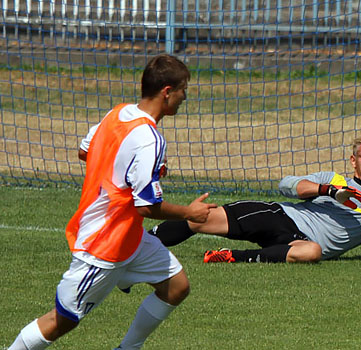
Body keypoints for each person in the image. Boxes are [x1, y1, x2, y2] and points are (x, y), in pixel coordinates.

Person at [9, 54, 217, 350]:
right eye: (184, 89)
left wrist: (134, 169)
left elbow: (86, 150)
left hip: (130, 238)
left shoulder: (118, 113)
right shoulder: (150, 138)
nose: (186, 96)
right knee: (62, 320)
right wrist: (189, 213)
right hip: (105, 244)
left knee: (176, 286)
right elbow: (146, 205)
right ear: (167, 91)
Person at [149, 135, 361, 263]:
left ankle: (230, 257)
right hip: (279, 216)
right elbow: (286, 185)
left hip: (300, 241)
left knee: (313, 253)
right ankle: (142, 242)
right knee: (199, 221)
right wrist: (328, 191)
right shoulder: (334, 179)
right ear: (353, 160)